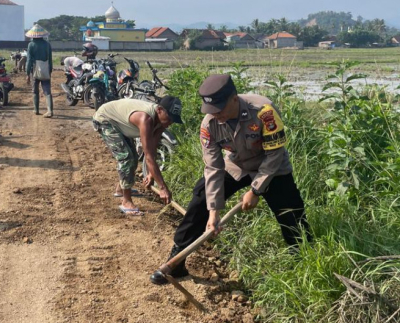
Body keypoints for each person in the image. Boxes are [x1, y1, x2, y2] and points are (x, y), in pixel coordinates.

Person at [150, 74, 312, 285]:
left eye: (219, 109)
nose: (215, 115)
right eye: (211, 110)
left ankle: (304, 264)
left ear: (234, 99)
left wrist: (255, 191)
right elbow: (213, 168)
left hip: (271, 167)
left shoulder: (265, 111)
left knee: (291, 213)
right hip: (236, 165)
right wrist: (213, 212)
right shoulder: (209, 124)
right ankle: (177, 260)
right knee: (200, 199)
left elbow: (275, 154)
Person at [93, 97, 183, 216]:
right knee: (126, 158)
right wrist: (163, 187)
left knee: (134, 158)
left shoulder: (161, 123)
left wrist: (151, 174)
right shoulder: (145, 119)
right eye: (169, 118)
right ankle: (126, 201)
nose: (170, 122)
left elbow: (152, 148)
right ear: (160, 110)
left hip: (119, 122)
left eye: (173, 120)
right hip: (105, 119)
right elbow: (149, 156)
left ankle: (121, 189)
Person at [25, 24, 53, 118]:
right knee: (47, 91)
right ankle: (50, 110)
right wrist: (50, 70)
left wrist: (27, 73)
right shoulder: (47, 44)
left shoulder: (31, 45)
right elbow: (50, 58)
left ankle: (36, 109)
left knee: (35, 90)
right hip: (46, 69)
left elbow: (29, 60)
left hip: (35, 70)